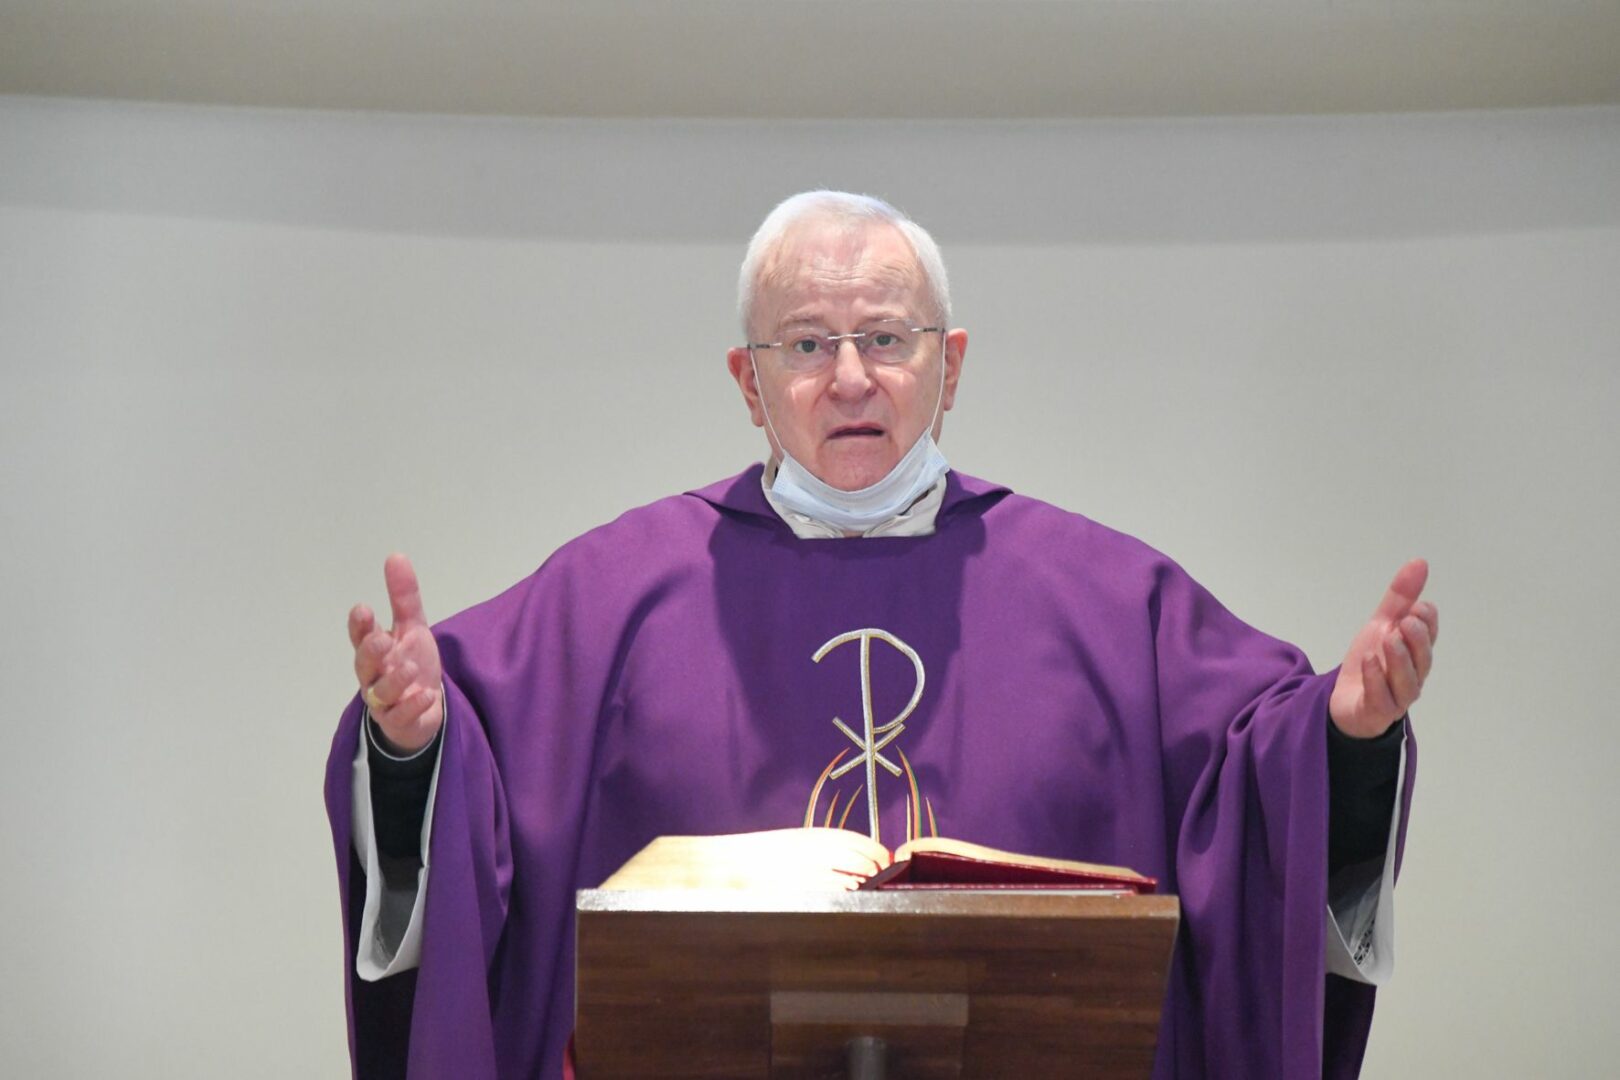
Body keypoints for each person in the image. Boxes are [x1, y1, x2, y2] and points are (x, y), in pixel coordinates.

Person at [325, 191, 1432, 1079]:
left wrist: (1346, 740)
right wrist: (413, 750)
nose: (850, 377)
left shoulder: (1113, 602)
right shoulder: (607, 601)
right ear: (748, 381)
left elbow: (1258, 783)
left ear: (951, 365)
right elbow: (475, 785)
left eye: (887, 339)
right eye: (807, 342)